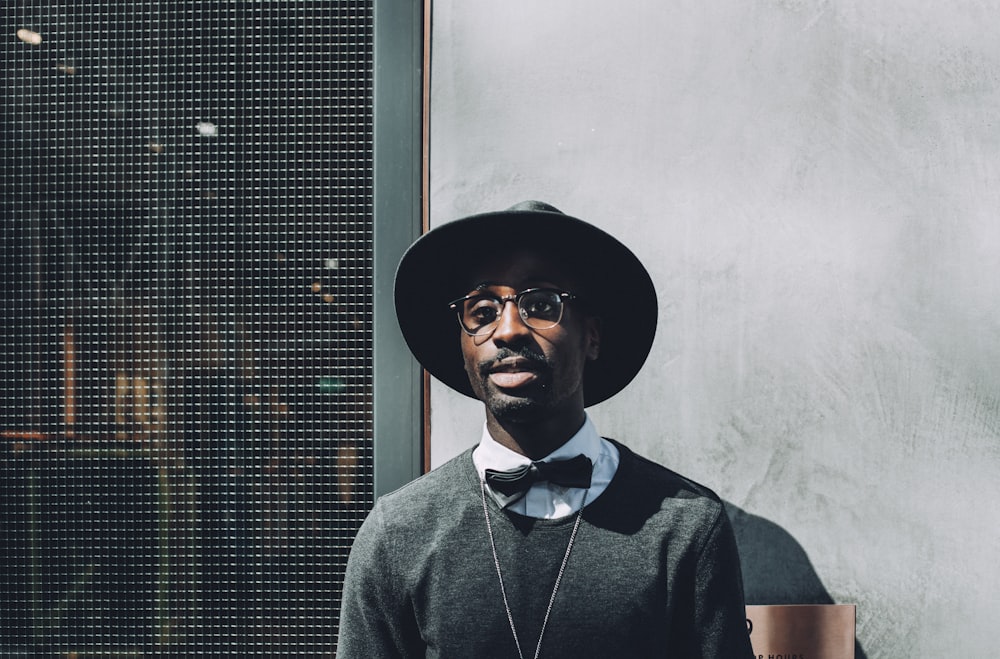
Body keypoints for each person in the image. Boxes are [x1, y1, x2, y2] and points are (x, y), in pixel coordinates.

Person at [337, 201, 754, 658]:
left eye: (540, 305)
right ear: (462, 346)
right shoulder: (398, 533)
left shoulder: (685, 526)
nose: (509, 329)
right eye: (482, 311)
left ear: (592, 336)